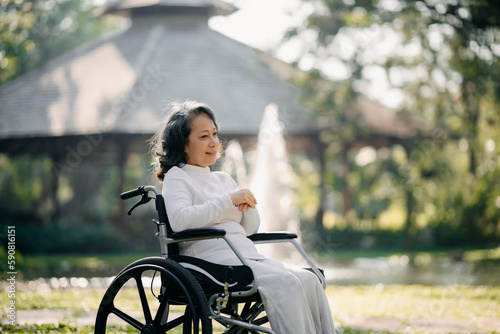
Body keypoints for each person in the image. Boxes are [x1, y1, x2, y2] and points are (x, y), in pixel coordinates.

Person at [151, 100, 338, 334]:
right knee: (286, 282)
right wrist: (228, 201)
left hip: (245, 255)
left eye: (215, 134)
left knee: (310, 280)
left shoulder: (223, 179)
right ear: (184, 144)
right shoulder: (178, 177)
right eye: (203, 136)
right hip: (209, 262)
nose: (213, 142)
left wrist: (248, 206)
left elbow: (249, 229)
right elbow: (180, 221)